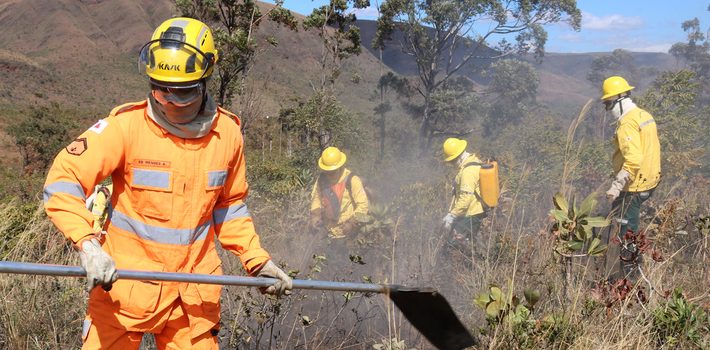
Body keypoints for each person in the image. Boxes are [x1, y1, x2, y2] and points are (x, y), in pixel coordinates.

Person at [42, 17, 292, 349]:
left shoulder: (227, 134)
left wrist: (257, 261)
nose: (168, 100)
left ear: (205, 80)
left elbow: (230, 207)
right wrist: (87, 245)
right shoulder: (125, 128)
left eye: (183, 92)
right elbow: (63, 180)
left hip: (193, 297)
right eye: (160, 88)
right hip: (123, 291)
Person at [601, 76, 661, 278]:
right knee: (626, 224)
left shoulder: (627, 122)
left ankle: (630, 276)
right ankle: (628, 270)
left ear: (619, 99)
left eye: (608, 103)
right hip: (649, 181)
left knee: (626, 231)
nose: (608, 109)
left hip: (633, 185)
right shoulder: (643, 115)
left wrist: (617, 185)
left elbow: (634, 158)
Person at [310, 146, 369, 239]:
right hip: (327, 232)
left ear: (340, 167)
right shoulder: (321, 180)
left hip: (349, 234)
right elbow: (315, 198)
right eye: (327, 171)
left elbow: (363, 205)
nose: (329, 174)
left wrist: (351, 223)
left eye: (332, 171)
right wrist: (315, 216)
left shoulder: (352, 180)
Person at [441, 138, 487, 254]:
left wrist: (452, 215)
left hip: (471, 214)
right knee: (469, 248)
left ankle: (462, 269)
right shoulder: (471, 163)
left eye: (452, 161)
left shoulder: (468, 171)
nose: (451, 164)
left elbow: (465, 199)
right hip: (470, 214)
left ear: (457, 157)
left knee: (452, 248)